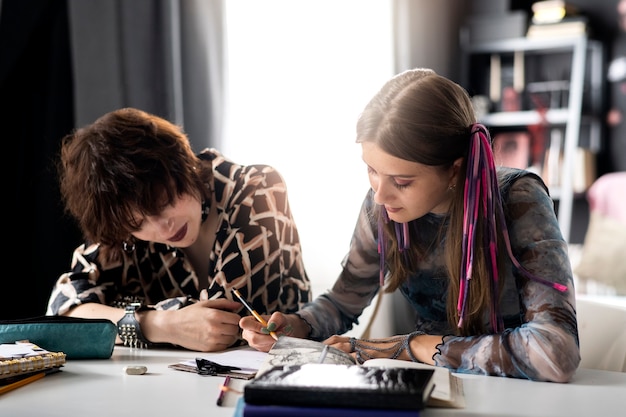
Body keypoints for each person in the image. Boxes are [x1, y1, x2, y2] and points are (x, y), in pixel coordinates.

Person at [240, 68, 580, 382]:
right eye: (371, 170)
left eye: (402, 181)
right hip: (432, 385)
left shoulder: (518, 199)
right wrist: (297, 325)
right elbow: (343, 301)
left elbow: (555, 351)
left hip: (519, 394)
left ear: (454, 169)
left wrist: (412, 347)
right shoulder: (383, 203)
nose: (379, 195)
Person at [46, 107, 311, 352]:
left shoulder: (256, 188)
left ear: (182, 165)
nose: (162, 227)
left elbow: (225, 325)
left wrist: (118, 316)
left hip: (277, 373)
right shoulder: (123, 227)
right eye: (137, 224)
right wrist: (160, 324)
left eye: (165, 202)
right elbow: (64, 310)